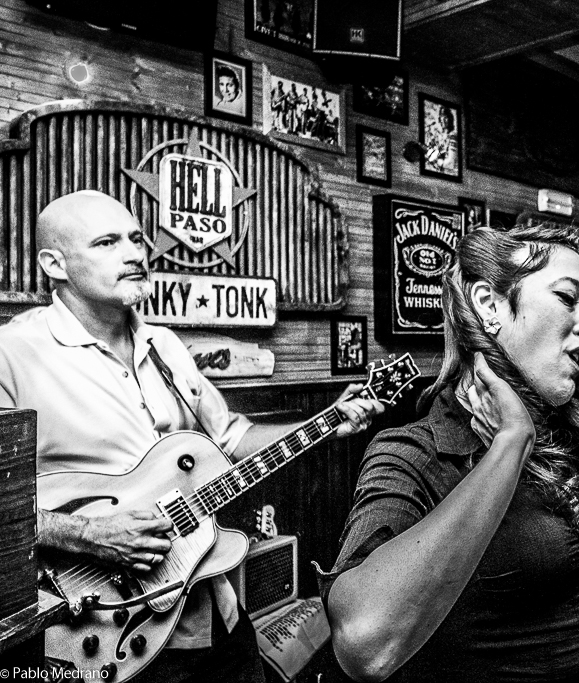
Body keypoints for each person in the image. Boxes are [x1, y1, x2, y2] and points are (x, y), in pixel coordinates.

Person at [0, 190, 384, 683]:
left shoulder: (165, 345)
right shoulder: (13, 353)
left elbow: (229, 440)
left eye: (137, 239)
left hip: (212, 608)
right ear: (55, 264)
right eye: (107, 242)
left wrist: (327, 423)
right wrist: (89, 534)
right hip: (98, 630)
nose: (135, 254)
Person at [319, 222, 579, 683]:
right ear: (488, 304)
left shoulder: (565, 433)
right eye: (567, 298)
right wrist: (511, 441)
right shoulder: (415, 453)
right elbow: (365, 646)